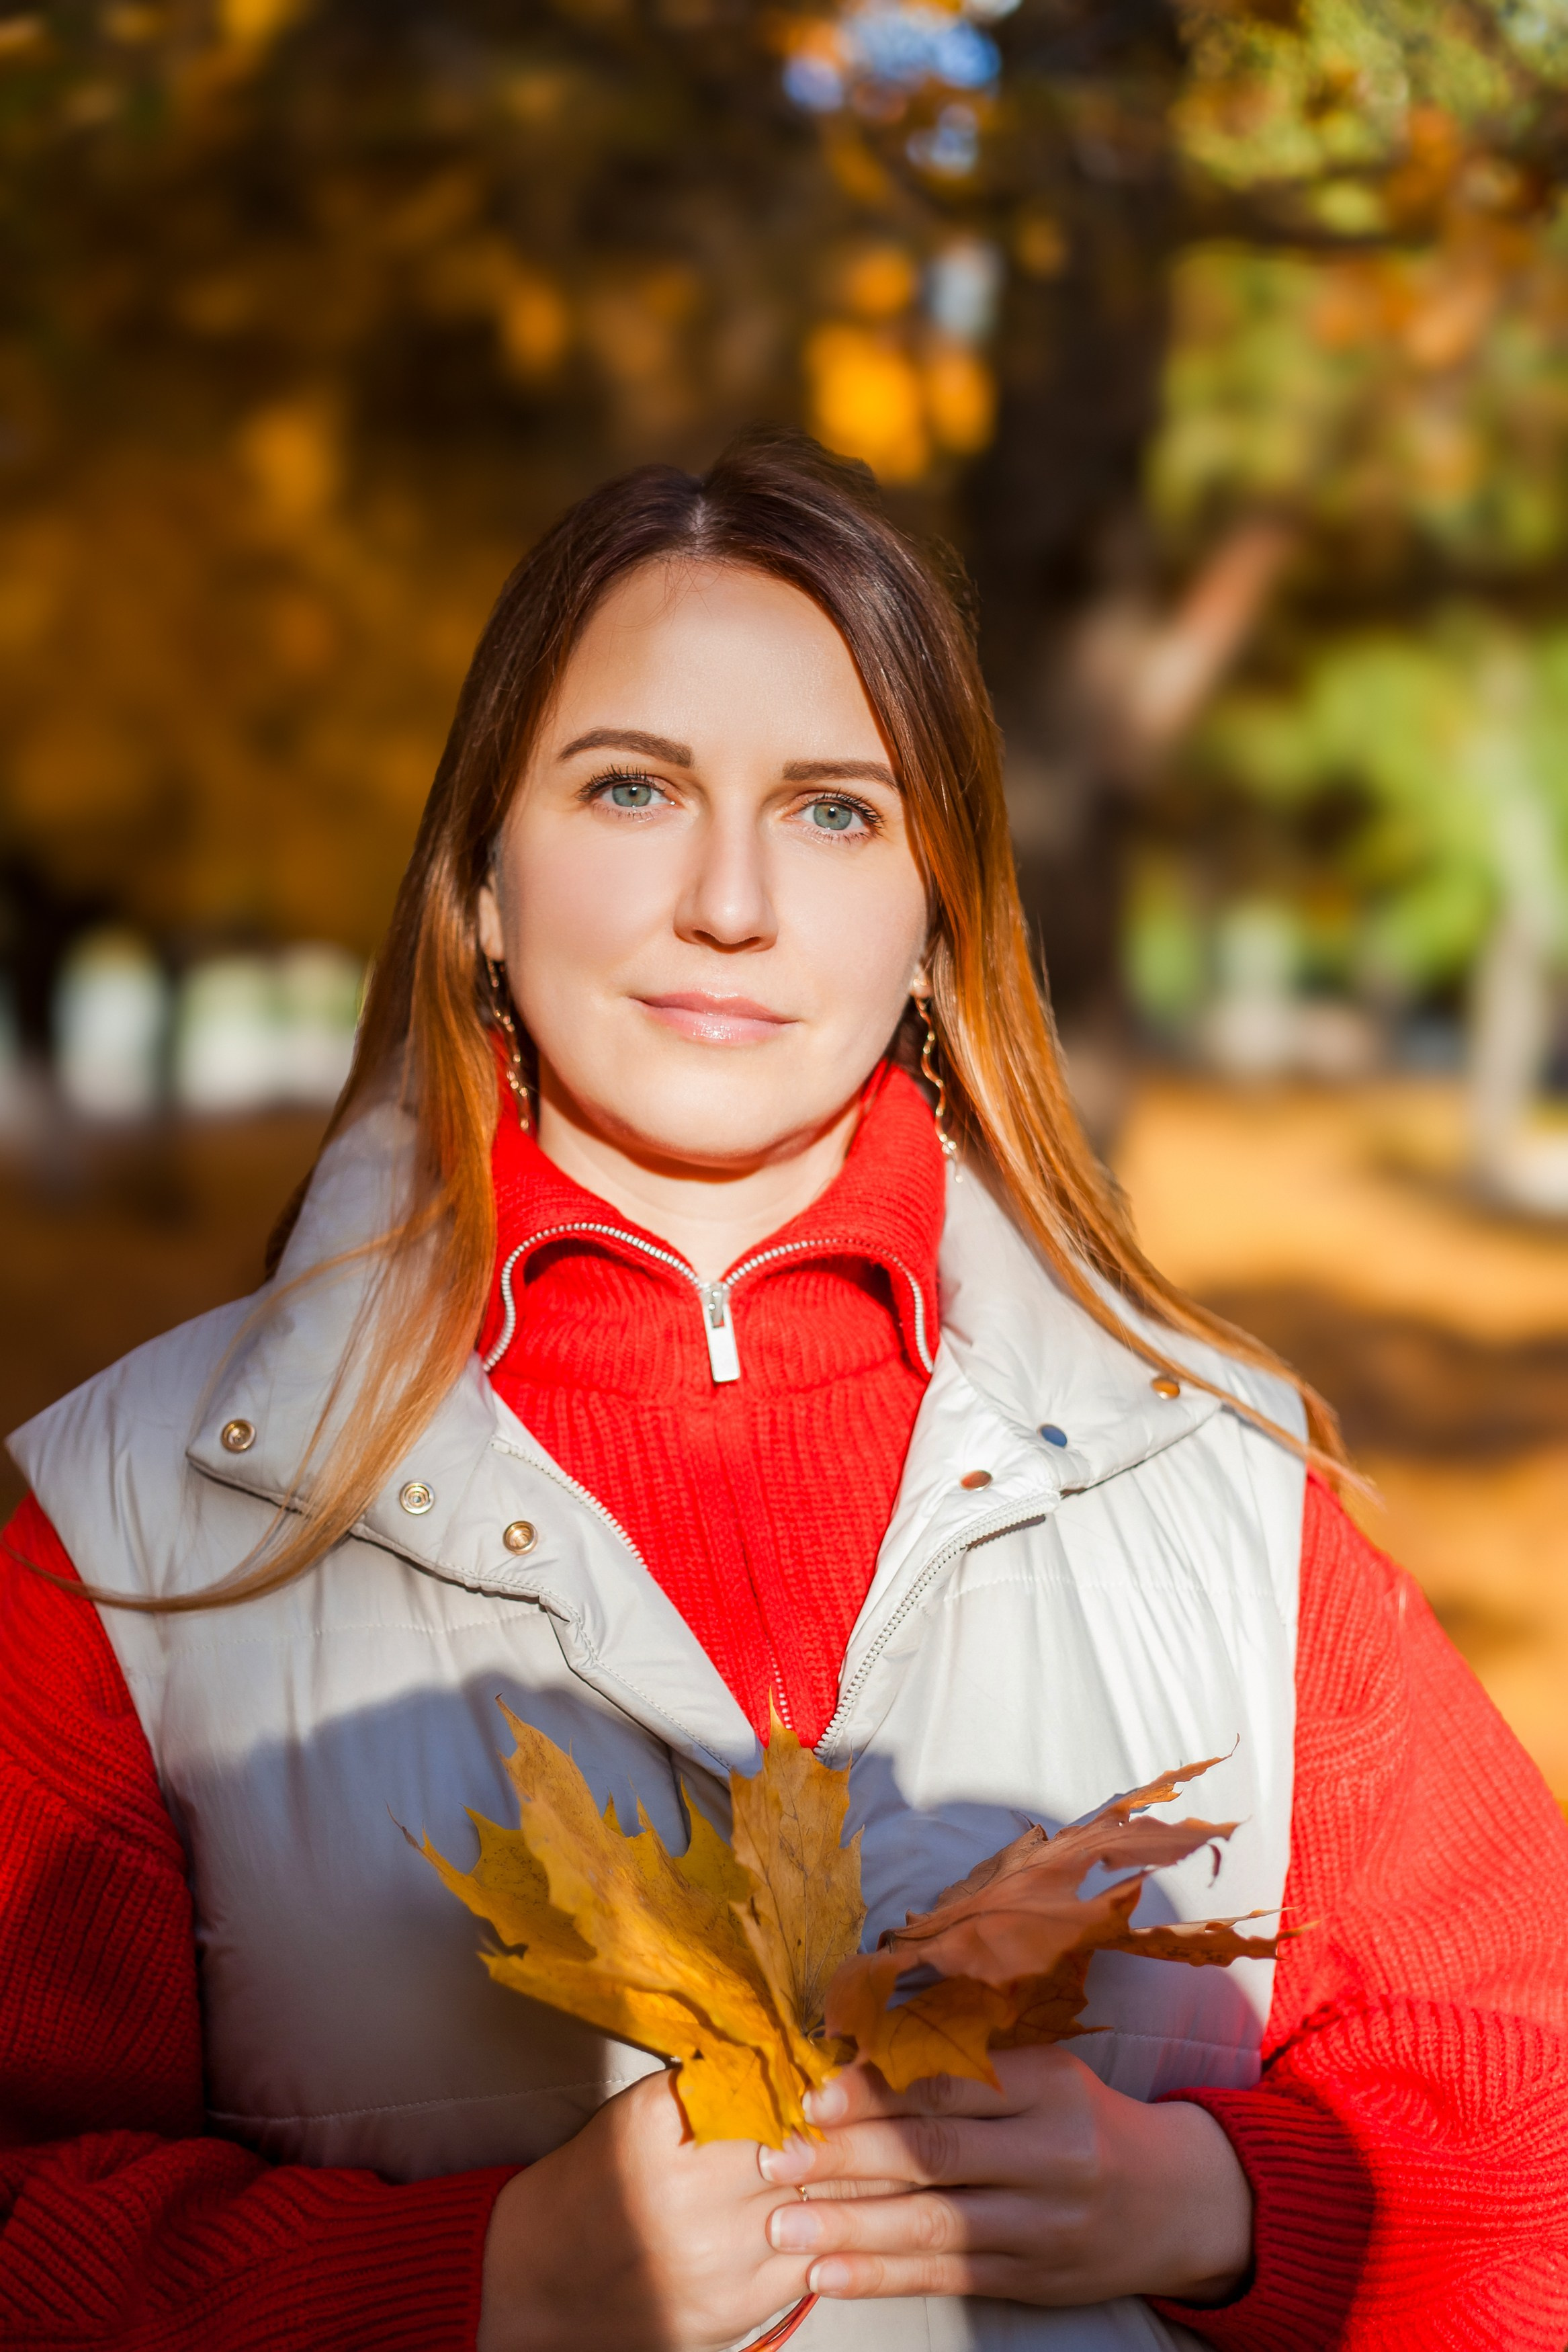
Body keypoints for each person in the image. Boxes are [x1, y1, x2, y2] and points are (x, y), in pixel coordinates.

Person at [3, 433, 1565, 2352]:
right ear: (482, 878)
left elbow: (1529, 2109)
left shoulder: (1217, 1480)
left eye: (835, 812)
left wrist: (1220, 2199)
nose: (728, 900)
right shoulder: (133, 1525)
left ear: (938, 914)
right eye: (633, 786)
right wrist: (471, 2285)